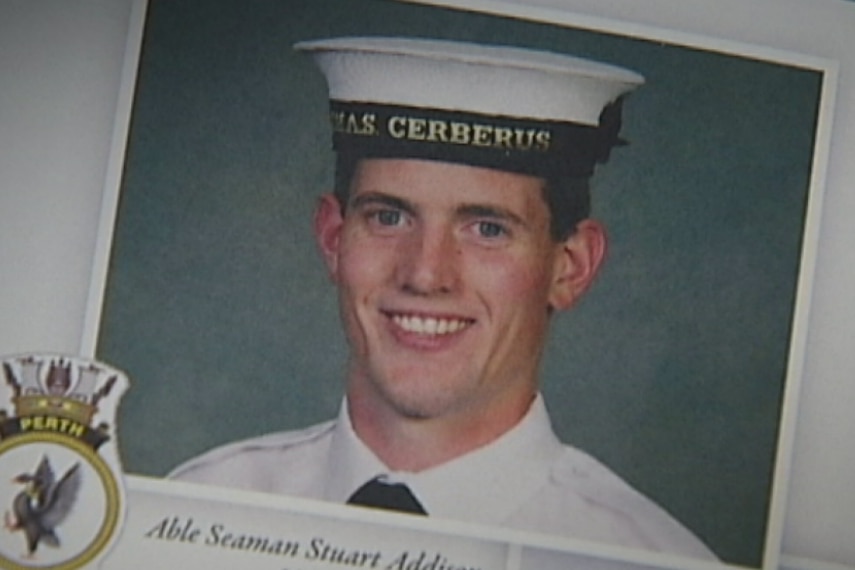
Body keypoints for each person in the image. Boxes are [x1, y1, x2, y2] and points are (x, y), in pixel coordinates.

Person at [171, 36, 717, 560]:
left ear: (569, 267)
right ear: (334, 239)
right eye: (389, 217)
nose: (426, 274)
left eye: (487, 229)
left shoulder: (645, 558)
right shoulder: (196, 510)